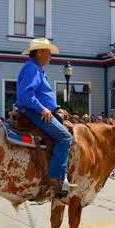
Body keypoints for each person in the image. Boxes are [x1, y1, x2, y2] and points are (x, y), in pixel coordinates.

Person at [15, 38, 77, 195]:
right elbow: (26, 94)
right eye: (48, 52)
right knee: (65, 138)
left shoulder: (37, 69)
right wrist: (42, 109)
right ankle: (56, 181)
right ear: (40, 52)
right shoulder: (32, 68)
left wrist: (55, 108)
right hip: (33, 111)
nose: (51, 56)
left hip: (39, 110)